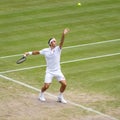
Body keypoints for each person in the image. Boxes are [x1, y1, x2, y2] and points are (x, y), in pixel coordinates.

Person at [24, 28, 69, 104]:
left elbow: (62, 42)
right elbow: (37, 52)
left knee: (64, 84)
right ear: (50, 43)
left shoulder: (58, 49)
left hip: (57, 70)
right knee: (46, 86)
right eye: (54, 41)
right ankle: (41, 94)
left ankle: (60, 97)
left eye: (55, 41)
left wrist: (63, 34)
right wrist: (28, 53)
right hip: (49, 71)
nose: (55, 42)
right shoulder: (45, 50)